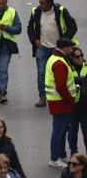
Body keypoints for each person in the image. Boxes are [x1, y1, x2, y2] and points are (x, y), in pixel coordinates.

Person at [29, 0, 79, 108]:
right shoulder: (35, 12)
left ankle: (62, 95)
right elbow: (30, 28)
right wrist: (35, 40)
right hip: (42, 48)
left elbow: (73, 27)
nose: (40, 5)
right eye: (39, 2)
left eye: (42, 3)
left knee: (61, 73)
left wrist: (63, 41)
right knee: (41, 73)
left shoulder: (61, 11)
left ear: (49, 3)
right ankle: (42, 97)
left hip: (59, 50)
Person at [47, 38, 79, 168]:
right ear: (65, 48)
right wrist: (71, 100)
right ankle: (55, 158)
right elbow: (61, 86)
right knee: (59, 131)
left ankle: (61, 155)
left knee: (61, 129)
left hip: (57, 102)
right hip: (61, 102)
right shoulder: (60, 63)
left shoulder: (54, 59)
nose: (72, 50)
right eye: (71, 48)